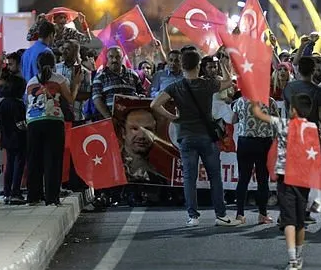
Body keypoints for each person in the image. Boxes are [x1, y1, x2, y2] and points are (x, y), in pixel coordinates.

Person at [150, 48, 240, 227]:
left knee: (189, 178)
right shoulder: (207, 85)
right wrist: (222, 63)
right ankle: (221, 215)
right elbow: (230, 83)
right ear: (199, 66)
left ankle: (193, 216)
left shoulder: (175, 86)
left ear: (182, 66)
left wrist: (173, 118)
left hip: (185, 136)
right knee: (215, 176)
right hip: (206, 137)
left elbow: (155, 104)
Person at [251, 93, 316, 270]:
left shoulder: (283, 124)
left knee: (288, 219)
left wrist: (256, 98)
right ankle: (300, 255)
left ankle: (292, 259)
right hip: (303, 179)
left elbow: (259, 114)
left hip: (285, 178)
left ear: (293, 110)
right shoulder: (312, 128)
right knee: (300, 220)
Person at [26, 50, 77, 206]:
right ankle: (52, 197)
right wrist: (78, 83)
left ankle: (34, 196)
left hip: (33, 122)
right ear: (54, 64)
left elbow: (27, 102)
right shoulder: (60, 79)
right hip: (53, 121)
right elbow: (70, 99)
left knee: (35, 160)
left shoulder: (31, 81)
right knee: (53, 160)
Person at [232, 95, 277, 224]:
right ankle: (263, 215)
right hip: (264, 142)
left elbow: (233, 119)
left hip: (245, 141)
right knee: (262, 180)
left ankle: (240, 214)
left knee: (243, 179)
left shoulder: (241, 101)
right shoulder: (270, 101)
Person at [0, 75, 28, 205]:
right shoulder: (18, 104)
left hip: (6, 138)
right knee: (19, 165)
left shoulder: (2, 103)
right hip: (19, 138)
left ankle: (7, 192)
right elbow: (20, 123)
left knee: (9, 165)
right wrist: (28, 130)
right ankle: (16, 192)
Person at [91, 46, 144, 118]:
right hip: (111, 118)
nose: (114, 60)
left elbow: (142, 92)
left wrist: (141, 97)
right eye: (111, 57)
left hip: (133, 118)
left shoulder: (133, 74)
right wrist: (109, 118)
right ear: (107, 59)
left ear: (122, 58)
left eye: (118, 57)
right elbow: (97, 99)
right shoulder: (100, 77)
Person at [282, 56, 321, 126]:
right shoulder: (319, 91)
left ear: (299, 70)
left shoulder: (288, 87)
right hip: (311, 129)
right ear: (313, 71)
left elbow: (286, 109)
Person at [56, 40, 92, 124]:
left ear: (75, 52)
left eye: (67, 49)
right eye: (63, 48)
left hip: (77, 117)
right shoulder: (56, 68)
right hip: (58, 117)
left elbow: (87, 94)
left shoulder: (84, 72)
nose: (64, 52)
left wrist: (65, 94)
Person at [27, 11, 92, 49]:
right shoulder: (48, 30)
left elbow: (87, 40)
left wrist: (83, 23)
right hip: (49, 61)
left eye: (65, 18)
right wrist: (37, 23)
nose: (63, 20)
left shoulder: (70, 32)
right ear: (54, 20)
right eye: (61, 17)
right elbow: (29, 37)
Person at [22, 19, 55, 83]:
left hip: (27, 91)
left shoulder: (26, 53)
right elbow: (51, 78)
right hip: (41, 91)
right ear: (51, 35)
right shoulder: (47, 52)